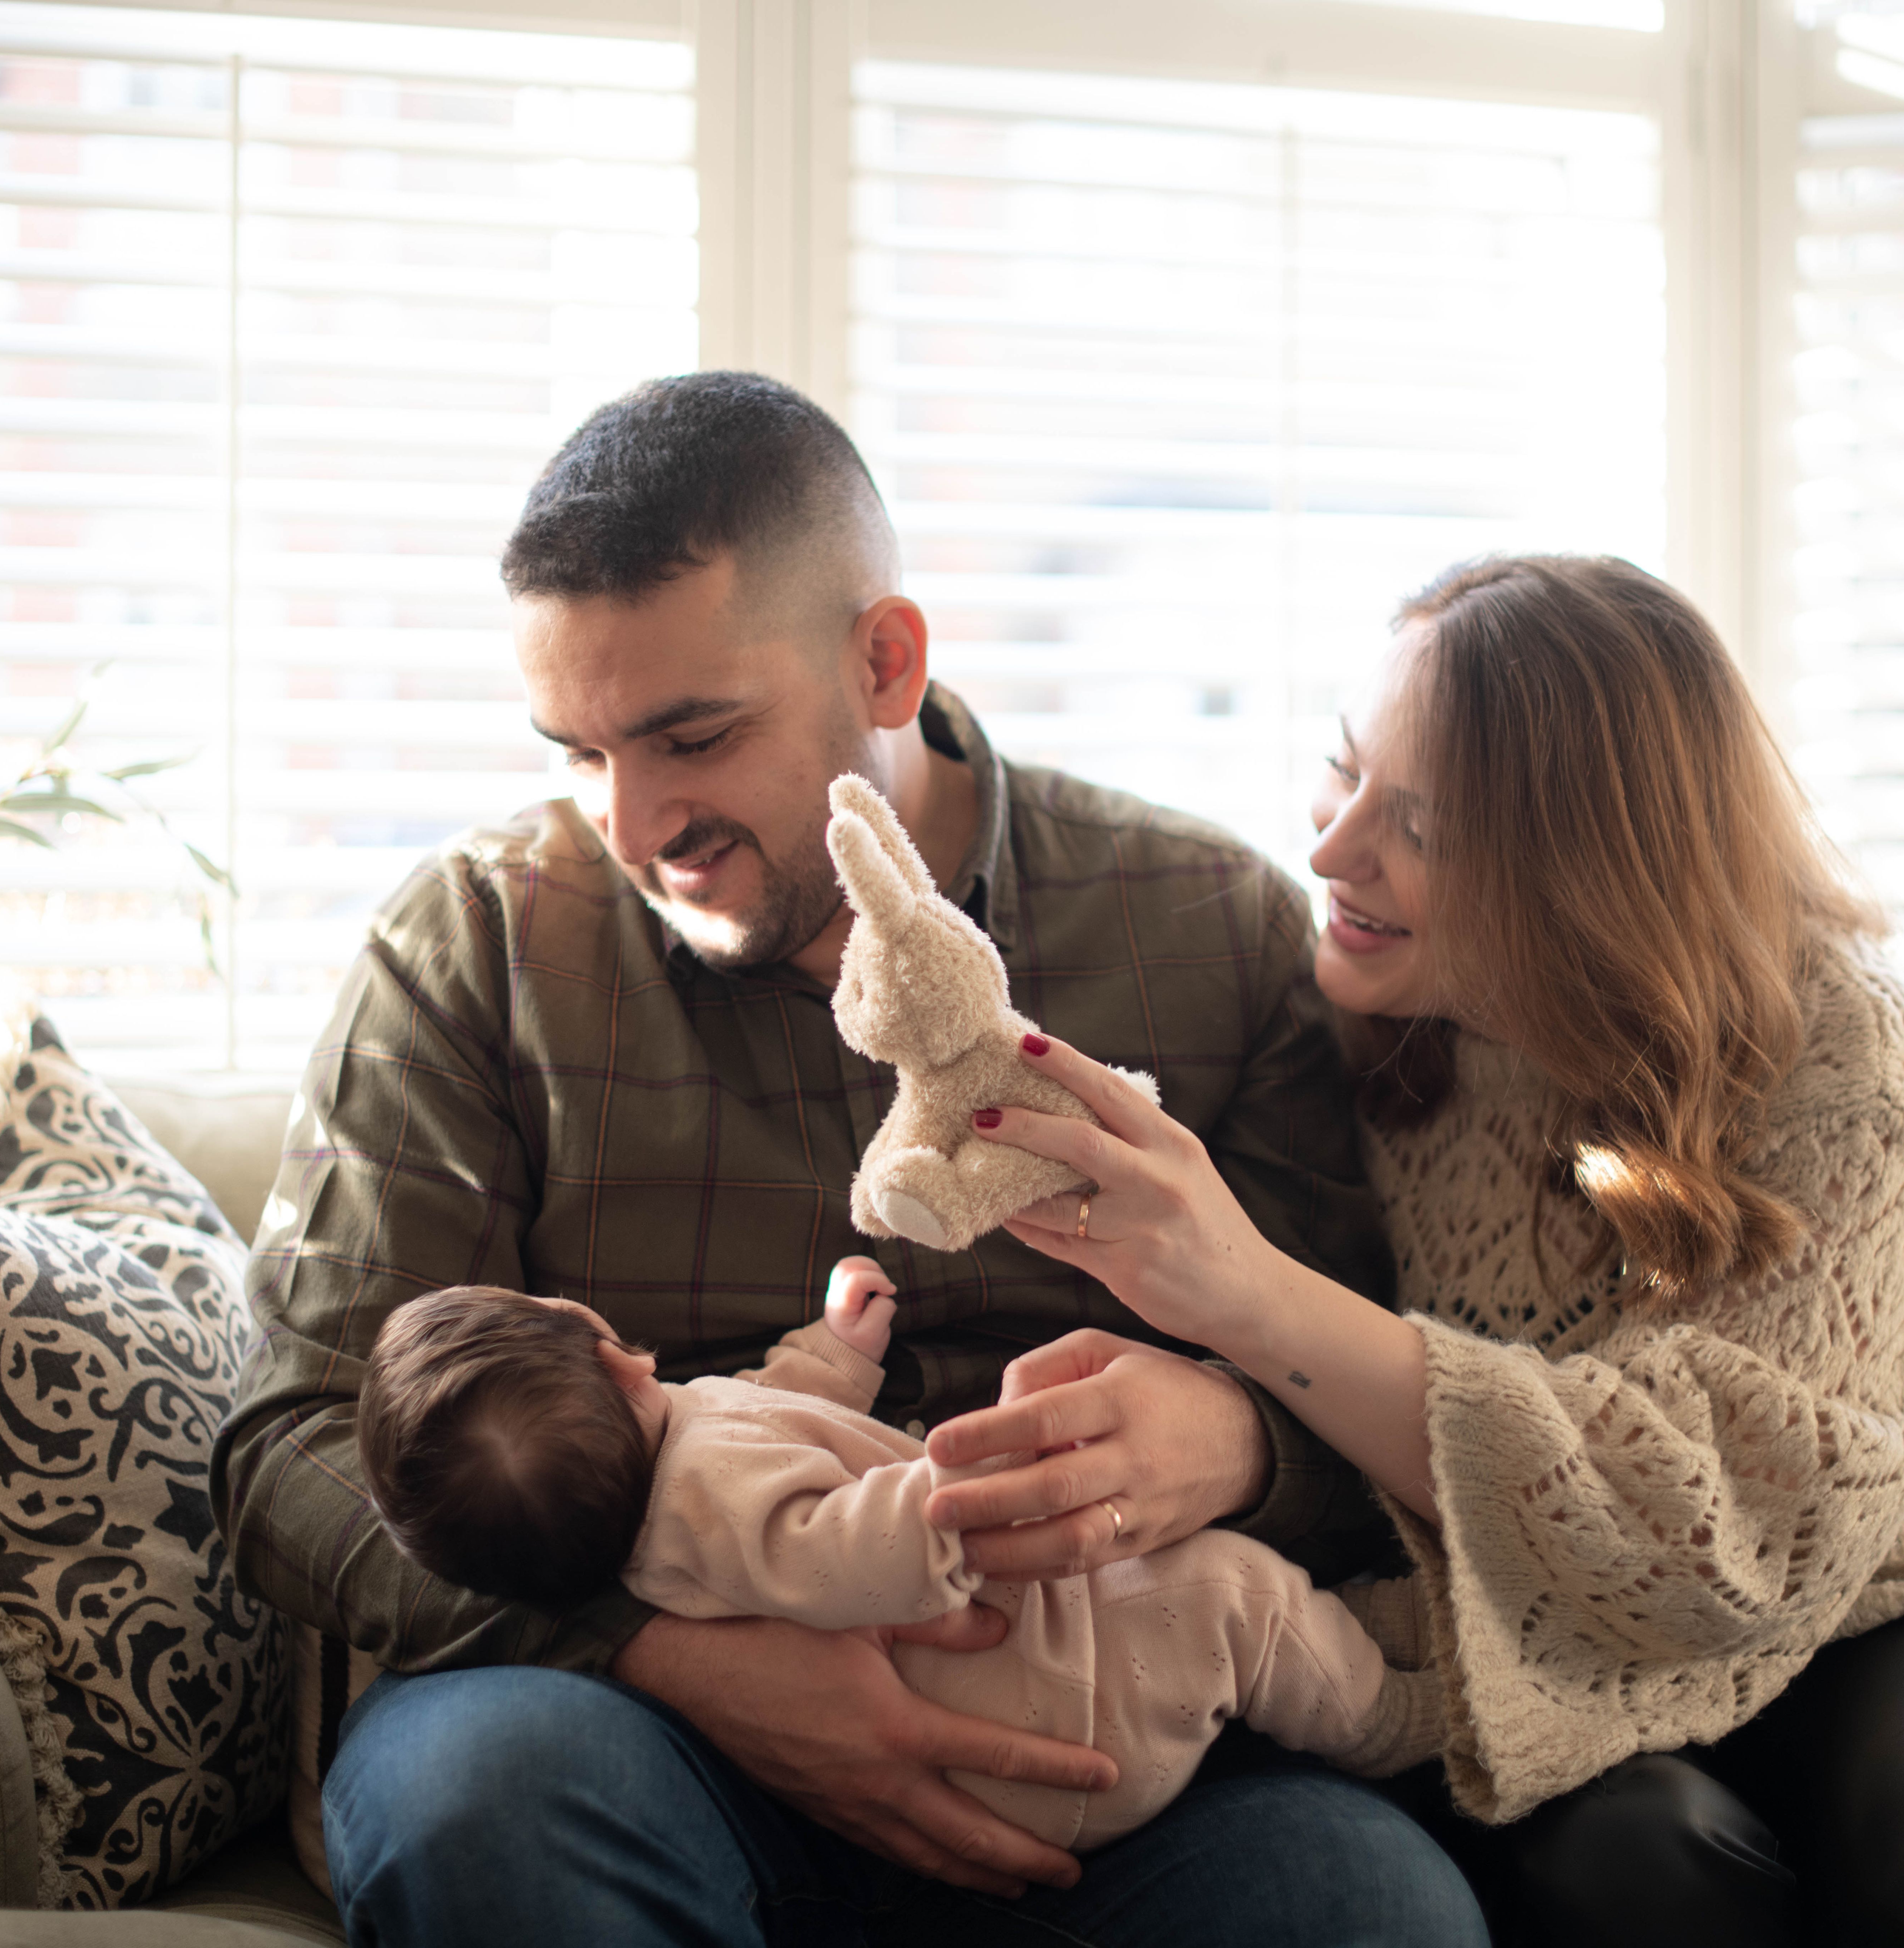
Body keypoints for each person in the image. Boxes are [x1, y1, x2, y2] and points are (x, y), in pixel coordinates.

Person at [211, 371, 1482, 1947]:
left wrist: (1238, 1439)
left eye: (691, 735)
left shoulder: (1202, 923)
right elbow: (292, 1444)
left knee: (1365, 1908)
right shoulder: (476, 944)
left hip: (1114, 1727)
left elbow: (1397, 1387)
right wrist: (663, 1652)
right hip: (638, 1725)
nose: (633, 823)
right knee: (482, 1795)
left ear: (883, 661)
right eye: (579, 750)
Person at [950, 554, 1904, 1947]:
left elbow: (1737, 1531)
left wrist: (1256, 1298)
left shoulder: (1840, 1055)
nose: (1331, 855)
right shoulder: (1324, 1018)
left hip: (1887, 1600)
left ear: (1589, 864)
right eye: (1341, 775)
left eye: (1421, 828)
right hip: (1530, 1632)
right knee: (1626, 1866)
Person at [353, 1269, 1446, 1851]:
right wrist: (963, 1484)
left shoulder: (671, 1482)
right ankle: (1402, 1724)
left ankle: (1379, 1633)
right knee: (1228, 1595)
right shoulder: (713, 1503)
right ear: (614, 1355)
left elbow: (771, 1417)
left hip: (1020, 1706)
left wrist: (836, 1350)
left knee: (1221, 1585)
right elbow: (838, 1549)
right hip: (1058, 1719)